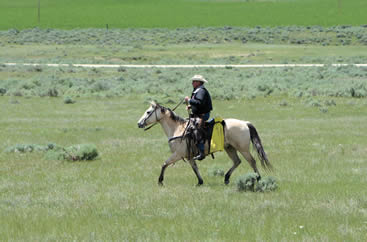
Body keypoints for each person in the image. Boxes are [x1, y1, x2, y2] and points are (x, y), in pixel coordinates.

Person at [184, 75, 213, 160]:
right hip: (198, 114)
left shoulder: (201, 91)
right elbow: (197, 104)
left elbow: (199, 103)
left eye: (194, 81)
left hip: (203, 115)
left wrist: (189, 100)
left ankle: (201, 152)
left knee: (196, 130)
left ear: (199, 82)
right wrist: (191, 107)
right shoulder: (197, 90)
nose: (192, 83)